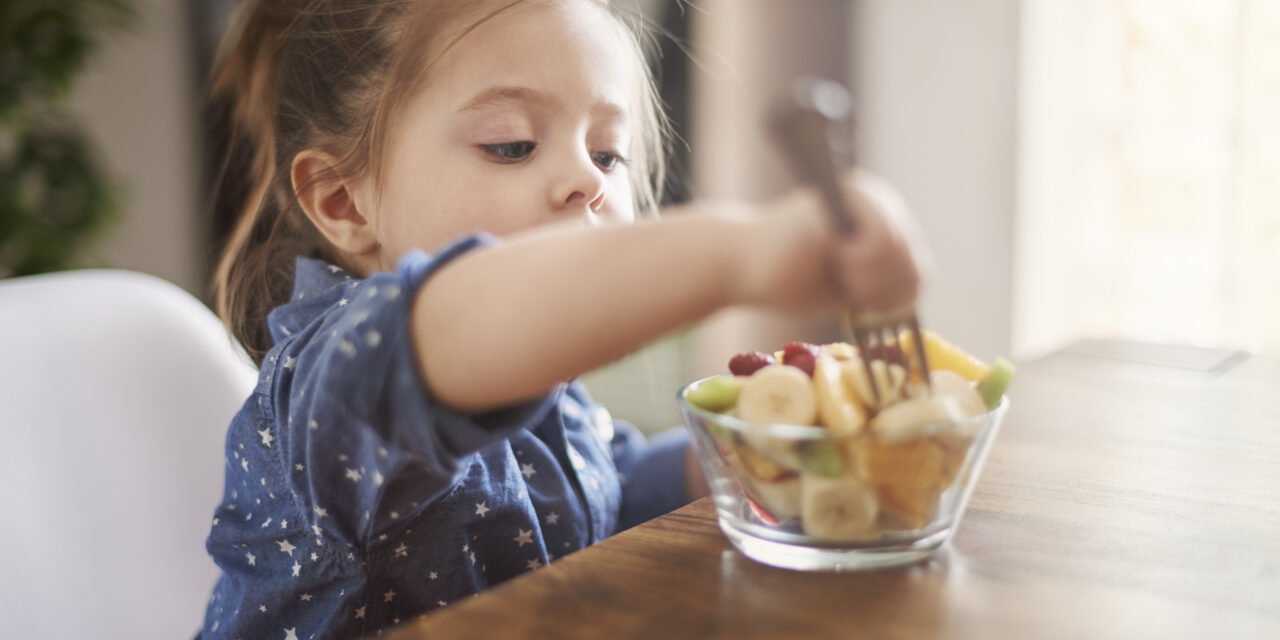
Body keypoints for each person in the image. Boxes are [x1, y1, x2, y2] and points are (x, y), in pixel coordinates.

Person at [197, 0, 929, 638]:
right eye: (511, 145)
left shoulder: (541, 386)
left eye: (609, 153)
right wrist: (742, 252)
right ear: (342, 202)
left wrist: (751, 449)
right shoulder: (337, 384)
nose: (588, 179)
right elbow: (467, 316)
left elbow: (603, 493)